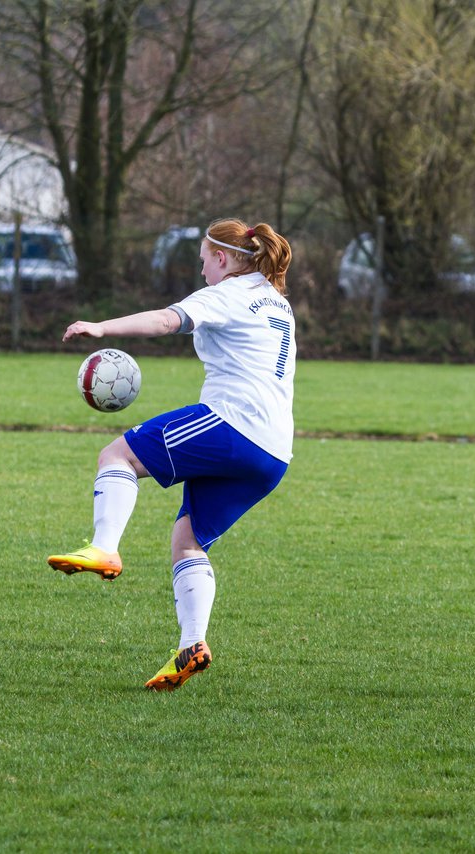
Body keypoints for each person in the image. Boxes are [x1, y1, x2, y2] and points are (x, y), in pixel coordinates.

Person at [48, 219, 295, 691]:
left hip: (232, 425)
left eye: (203, 258)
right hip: (274, 452)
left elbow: (166, 320)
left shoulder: (227, 293)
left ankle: (104, 547)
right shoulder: (275, 299)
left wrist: (101, 327)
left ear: (222, 257)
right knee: (188, 539)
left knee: (117, 455)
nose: (201, 269)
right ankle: (191, 644)